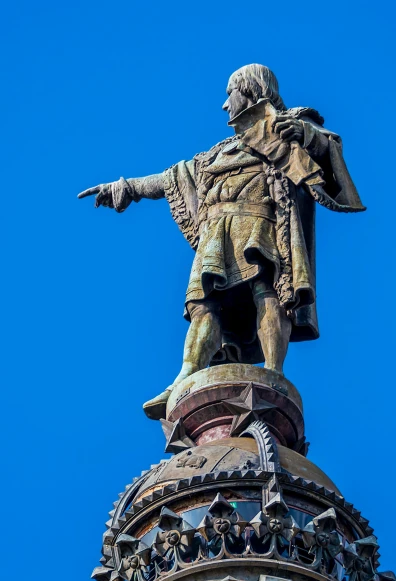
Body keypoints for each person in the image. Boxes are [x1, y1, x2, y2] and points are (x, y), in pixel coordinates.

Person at [79, 64, 365, 419]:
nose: (224, 105)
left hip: (260, 223)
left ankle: (273, 372)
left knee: (267, 291)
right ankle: (186, 375)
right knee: (203, 304)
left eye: (228, 94)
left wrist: (306, 135)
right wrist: (123, 188)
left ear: (248, 90)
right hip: (217, 235)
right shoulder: (217, 152)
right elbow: (171, 177)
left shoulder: (283, 129)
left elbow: (326, 145)